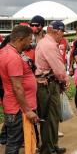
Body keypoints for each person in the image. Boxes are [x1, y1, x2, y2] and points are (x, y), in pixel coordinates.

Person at [0, 25, 39, 154]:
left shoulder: (7, 51)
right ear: (21, 39)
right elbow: (17, 87)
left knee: (15, 142)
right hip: (18, 109)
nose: (30, 42)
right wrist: (27, 111)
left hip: (15, 106)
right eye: (29, 39)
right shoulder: (13, 57)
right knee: (14, 144)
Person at [35, 21, 69, 154]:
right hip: (47, 84)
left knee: (52, 117)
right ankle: (48, 149)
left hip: (48, 83)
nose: (62, 36)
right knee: (49, 118)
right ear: (57, 31)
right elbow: (59, 69)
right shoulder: (49, 45)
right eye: (62, 33)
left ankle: (52, 146)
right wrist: (65, 80)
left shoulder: (45, 42)